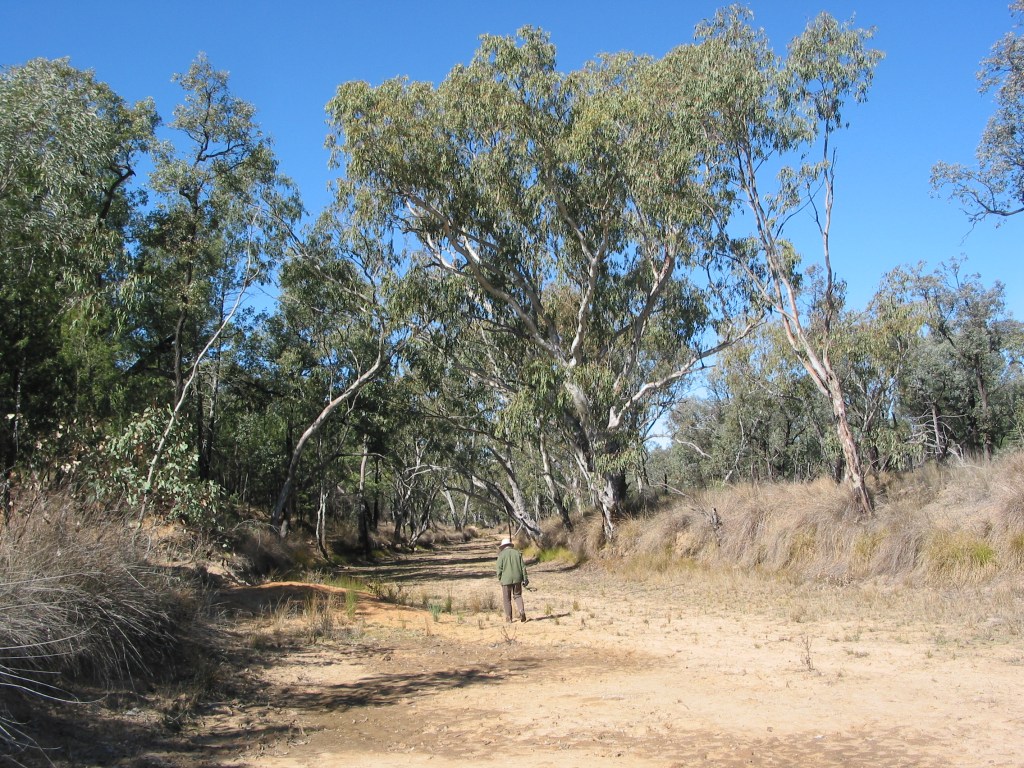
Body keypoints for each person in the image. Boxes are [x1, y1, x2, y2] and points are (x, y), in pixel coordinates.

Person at [496, 536, 528, 623]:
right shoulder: (517, 553)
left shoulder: (501, 555)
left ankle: (509, 618)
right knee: (518, 596)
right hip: (518, 578)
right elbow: (523, 567)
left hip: (505, 580)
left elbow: (499, 569)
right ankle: (521, 611)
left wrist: (500, 578)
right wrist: (525, 578)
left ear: (503, 546)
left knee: (507, 599)